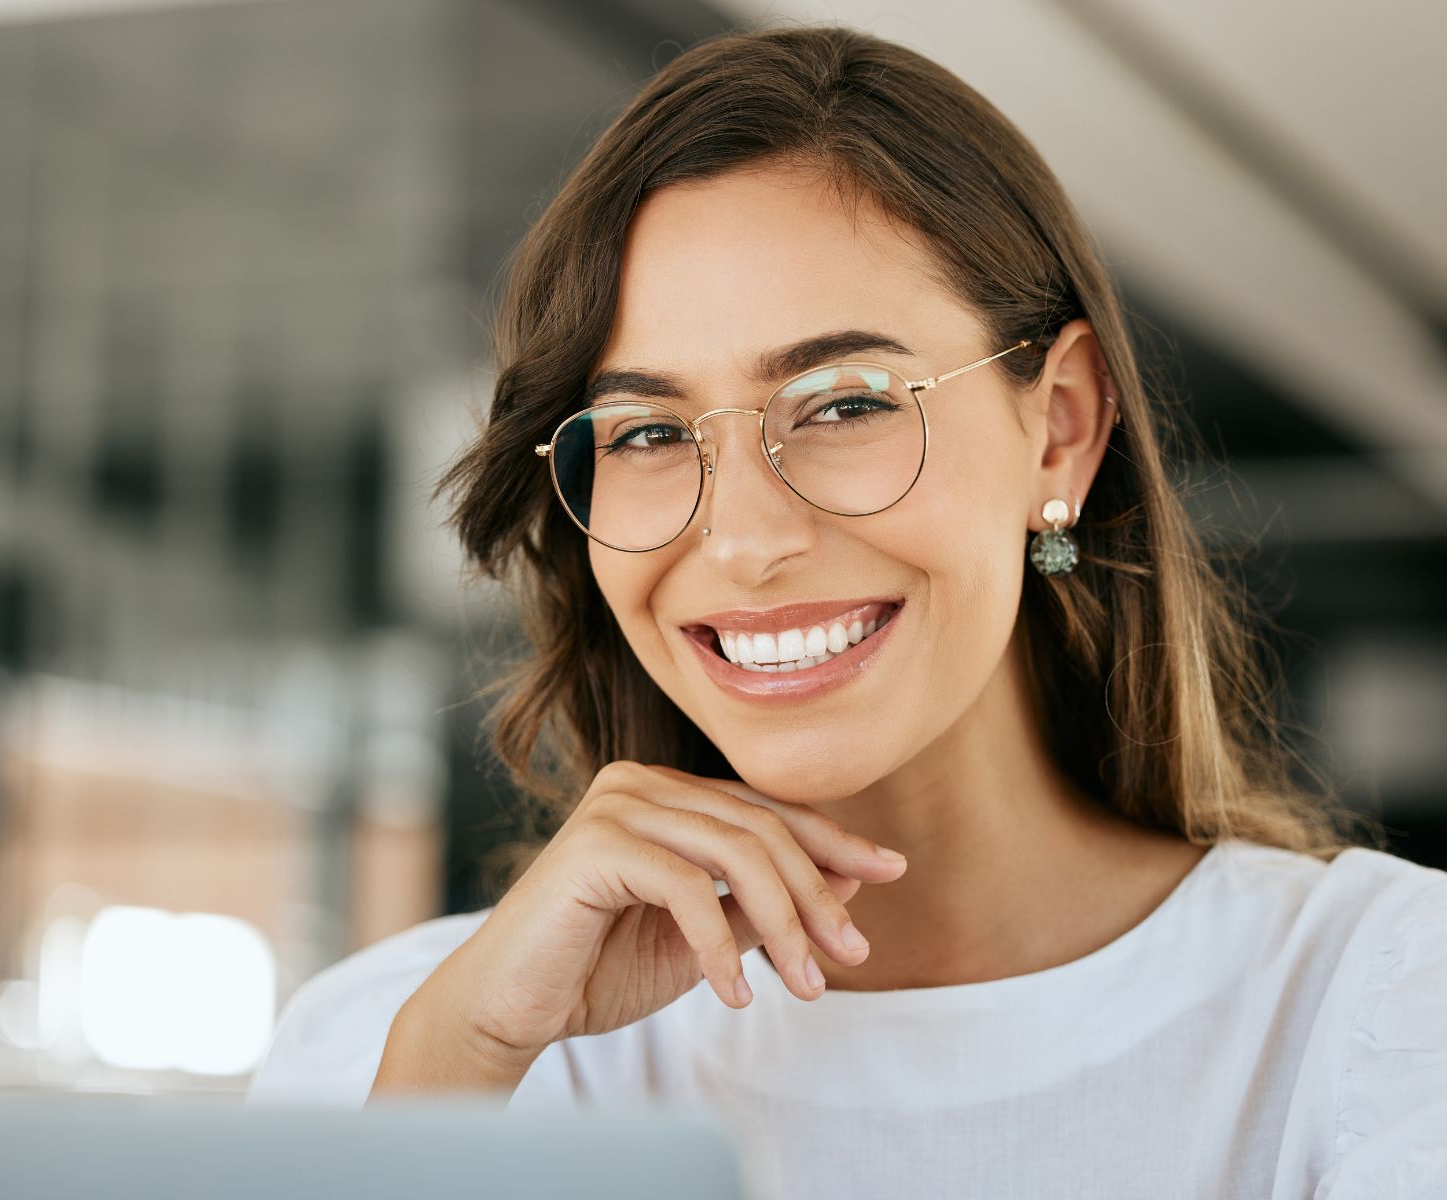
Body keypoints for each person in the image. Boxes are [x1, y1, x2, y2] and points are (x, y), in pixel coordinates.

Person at [246, 24, 1447, 1199]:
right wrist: (455, 1071)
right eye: (651, 433)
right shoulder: (418, 1042)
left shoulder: (1380, 1010)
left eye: (842, 405)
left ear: (1061, 427)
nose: (745, 539)